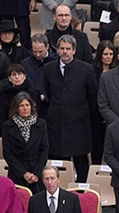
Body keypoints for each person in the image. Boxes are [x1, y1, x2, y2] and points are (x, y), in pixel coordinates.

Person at [41, 34, 97, 182]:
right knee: (57, 162)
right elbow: (47, 92)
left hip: (79, 124)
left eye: (68, 49)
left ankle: (82, 193)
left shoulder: (86, 69)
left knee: (81, 161)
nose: (65, 51)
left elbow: (92, 96)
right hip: (56, 123)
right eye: (62, 48)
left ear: (74, 50)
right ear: (57, 50)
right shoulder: (48, 69)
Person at [2, 92, 49, 189]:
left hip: (36, 172)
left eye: (27, 105)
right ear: (16, 108)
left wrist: (36, 173)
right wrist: (23, 173)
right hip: (17, 173)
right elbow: (7, 152)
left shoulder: (41, 124)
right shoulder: (8, 126)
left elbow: (45, 149)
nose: (25, 108)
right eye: (21, 106)